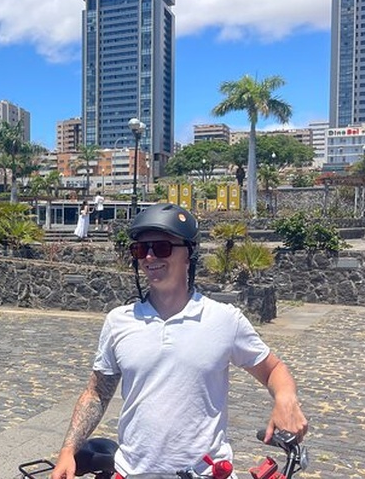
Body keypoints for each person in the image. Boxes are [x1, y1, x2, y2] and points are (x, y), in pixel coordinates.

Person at [51, 203, 307, 479]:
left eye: (161, 247)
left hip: (205, 473)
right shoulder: (118, 321)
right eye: (140, 249)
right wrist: (68, 450)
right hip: (132, 472)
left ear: (189, 255)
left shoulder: (223, 319)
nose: (149, 257)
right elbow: (97, 393)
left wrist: (286, 397)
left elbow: (273, 369)